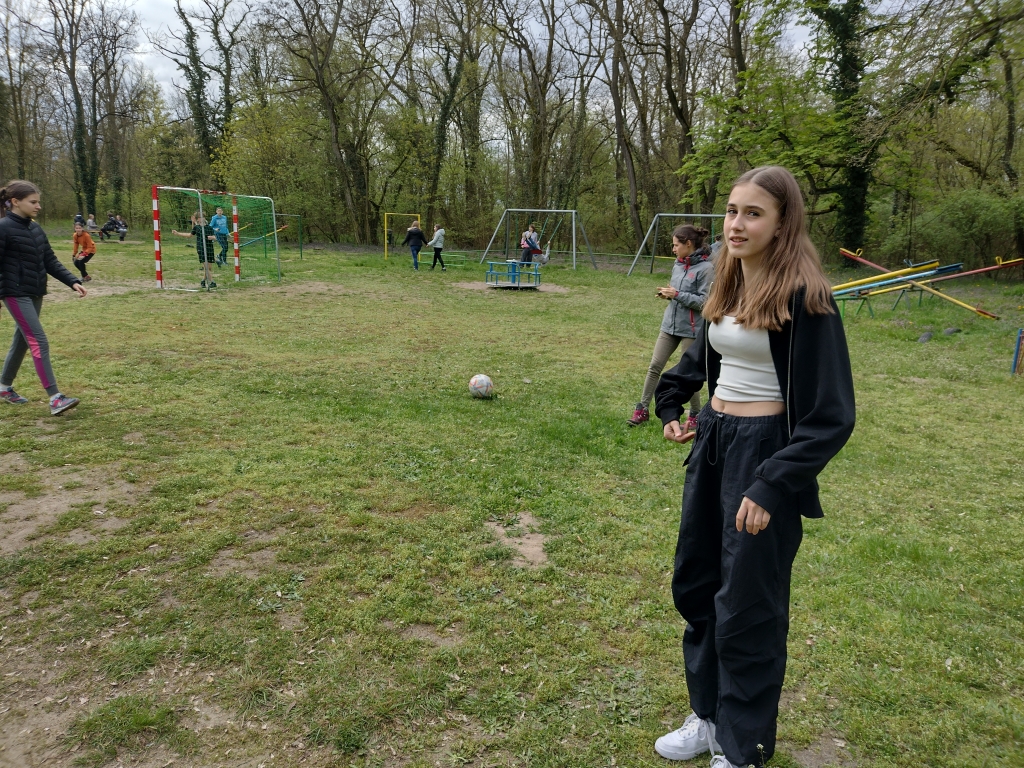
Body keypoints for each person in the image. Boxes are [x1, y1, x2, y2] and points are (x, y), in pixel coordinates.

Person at [651, 166, 855, 768]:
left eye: (754, 213)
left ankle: (743, 748)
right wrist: (673, 401)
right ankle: (709, 716)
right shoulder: (730, 279)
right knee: (697, 582)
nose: (736, 225)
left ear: (783, 222)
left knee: (748, 602)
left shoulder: (806, 296)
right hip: (713, 441)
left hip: (763, 454)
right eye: (732, 211)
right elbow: (707, 353)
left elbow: (832, 415)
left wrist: (772, 484)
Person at [0, 180, 87, 415]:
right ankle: (55, 398)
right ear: (15, 202)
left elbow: (49, 260)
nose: (38, 206)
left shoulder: (35, 228)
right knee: (38, 340)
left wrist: (73, 281)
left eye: (38, 202)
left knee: (22, 340)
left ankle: (4, 387)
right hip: (15, 293)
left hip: (35, 291)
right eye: (33, 202)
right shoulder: (3, 228)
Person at [628, 225, 714, 427]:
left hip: (692, 330)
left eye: (676, 245)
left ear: (688, 244)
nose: (673, 249)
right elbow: (678, 293)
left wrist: (677, 295)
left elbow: (705, 302)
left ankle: (695, 415)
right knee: (654, 366)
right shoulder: (678, 265)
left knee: (688, 374)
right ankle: (642, 409)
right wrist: (668, 294)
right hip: (669, 325)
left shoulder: (707, 269)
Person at [170, 213, 217, 288]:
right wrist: (177, 233)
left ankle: (203, 281)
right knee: (206, 266)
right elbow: (189, 235)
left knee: (209, 268)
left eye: (203, 217)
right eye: (200, 217)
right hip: (201, 248)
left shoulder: (209, 227)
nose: (202, 218)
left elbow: (214, 237)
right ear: (198, 219)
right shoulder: (197, 228)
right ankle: (212, 282)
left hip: (209, 248)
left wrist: (213, 237)